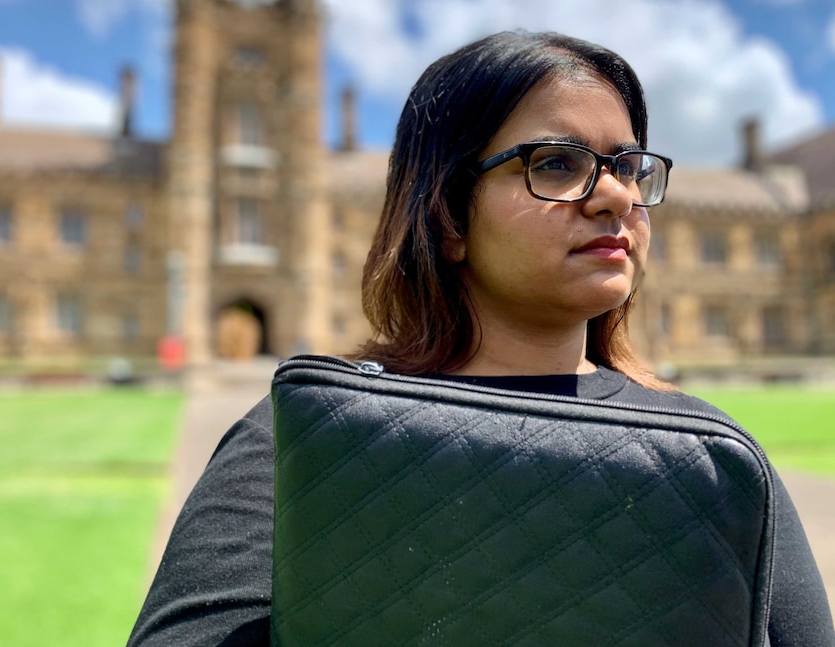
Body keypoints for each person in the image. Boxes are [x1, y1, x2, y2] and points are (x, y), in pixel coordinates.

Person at [126, 31, 834, 646]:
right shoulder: (308, 435)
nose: (616, 194)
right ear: (448, 217)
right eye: (558, 162)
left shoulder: (712, 450)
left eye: (628, 167)